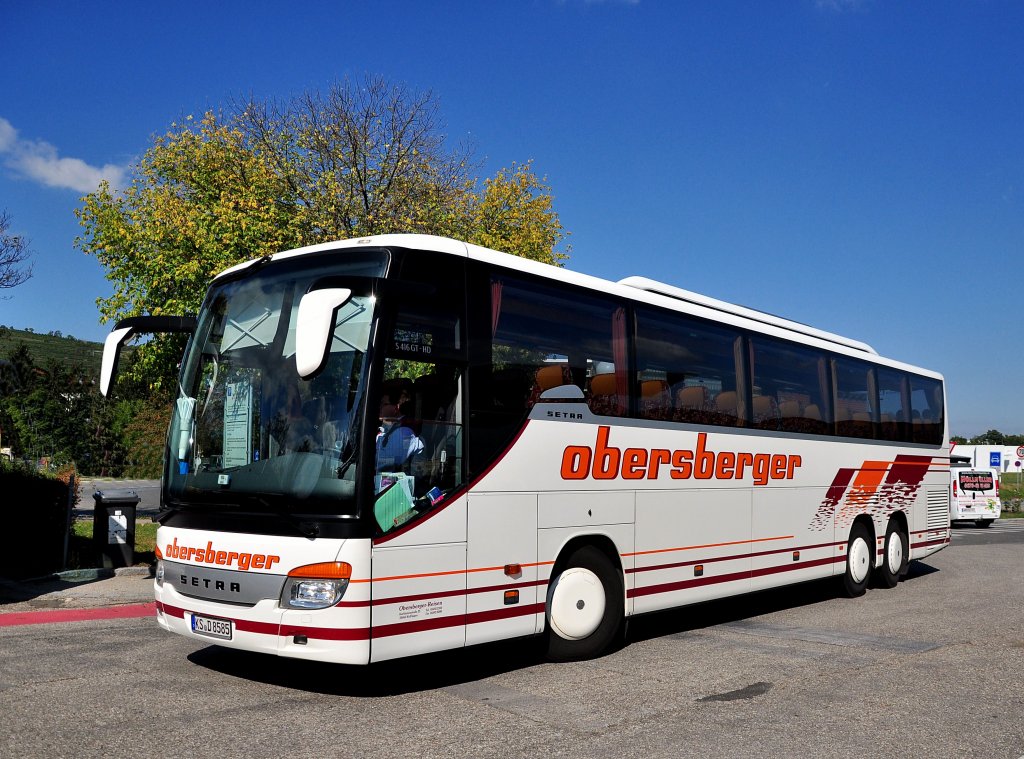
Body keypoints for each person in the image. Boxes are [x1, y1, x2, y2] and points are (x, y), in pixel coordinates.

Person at [375, 386, 424, 473]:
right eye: (380, 403)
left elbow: (385, 463)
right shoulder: (380, 429)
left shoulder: (404, 431)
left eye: (385, 404)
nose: (380, 407)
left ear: (396, 407)